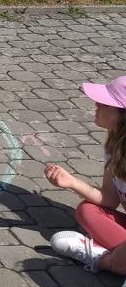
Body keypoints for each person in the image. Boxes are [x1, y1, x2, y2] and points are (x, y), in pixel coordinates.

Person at [46, 75, 126, 274]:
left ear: (121, 115)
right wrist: (72, 182)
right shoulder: (115, 146)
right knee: (87, 211)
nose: (96, 105)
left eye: (104, 103)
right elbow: (109, 199)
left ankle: (103, 259)